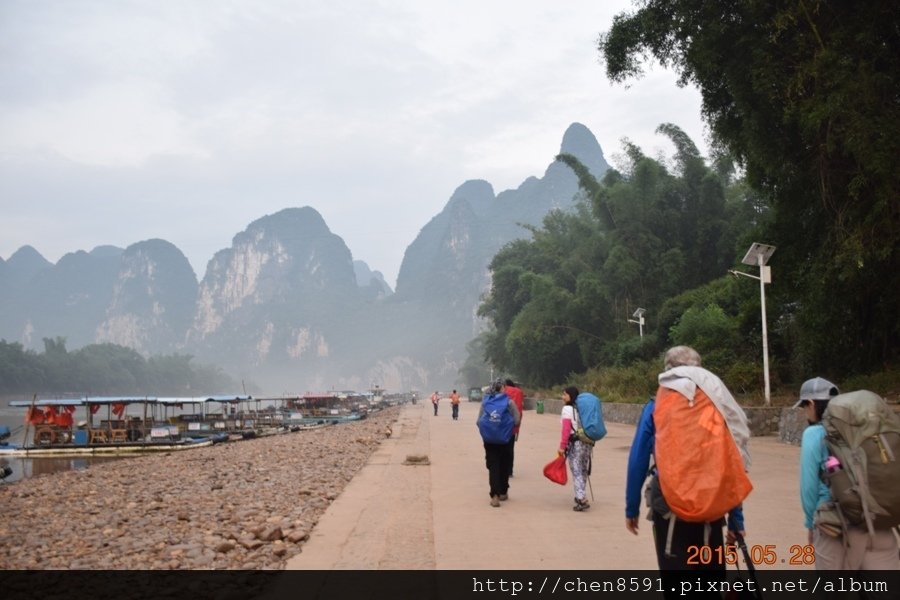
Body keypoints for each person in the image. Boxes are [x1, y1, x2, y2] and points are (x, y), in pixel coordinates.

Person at [624, 346, 747, 588]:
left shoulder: (656, 406)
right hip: (711, 506)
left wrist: (632, 508)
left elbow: (638, 459)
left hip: (670, 509)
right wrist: (736, 520)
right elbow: (732, 461)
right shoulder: (715, 407)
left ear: (668, 371)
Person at [797, 377, 900, 570]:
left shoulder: (813, 434)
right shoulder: (864, 433)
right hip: (879, 521)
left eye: (804, 407)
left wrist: (810, 523)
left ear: (811, 404)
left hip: (834, 528)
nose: (805, 413)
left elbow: (808, 487)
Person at [477, 380, 521, 507]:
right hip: (506, 439)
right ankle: (503, 492)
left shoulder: (485, 402)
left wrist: (488, 433)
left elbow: (479, 422)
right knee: (504, 464)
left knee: (493, 466)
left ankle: (494, 496)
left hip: (490, 440)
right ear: (502, 388)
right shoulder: (509, 402)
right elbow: (517, 420)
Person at [559, 385, 592, 512]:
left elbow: (566, 430)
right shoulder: (581, 409)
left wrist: (562, 446)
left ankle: (581, 499)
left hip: (575, 443)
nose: (563, 397)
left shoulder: (567, 409)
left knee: (576, 471)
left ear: (570, 396)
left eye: (565, 394)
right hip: (587, 442)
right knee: (583, 470)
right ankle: (581, 494)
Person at [503, 379, 524, 477]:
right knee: (510, 449)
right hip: (512, 425)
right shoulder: (519, 392)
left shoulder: (501, 391)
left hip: (500, 425)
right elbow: (519, 411)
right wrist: (517, 428)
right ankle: (509, 471)